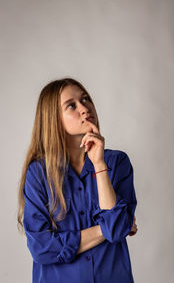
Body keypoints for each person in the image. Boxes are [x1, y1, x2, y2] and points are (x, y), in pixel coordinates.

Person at [17, 77, 138, 283]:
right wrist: (104, 229)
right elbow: (41, 248)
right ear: (53, 119)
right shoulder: (39, 173)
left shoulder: (117, 163)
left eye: (86, 99)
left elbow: (117, 230)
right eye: (71, 105)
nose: (84, 108)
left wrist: (99, 165)